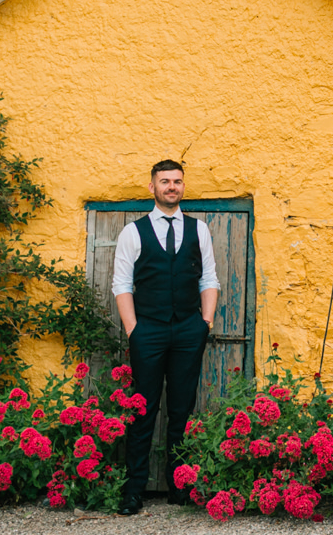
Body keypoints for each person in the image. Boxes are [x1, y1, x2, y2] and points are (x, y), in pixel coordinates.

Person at [113, 159, 220, 515]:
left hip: (189, 330)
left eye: (176, 181)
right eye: (164, 181)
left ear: (183, 186)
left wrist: (204, 322)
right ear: (152, 188)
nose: (171, 187)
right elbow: (122, 285)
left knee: (181, 409)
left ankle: (180, 487)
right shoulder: (133, 232)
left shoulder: (198, 229)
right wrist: (134, 330)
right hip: (149, 331)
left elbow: (209, 279)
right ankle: (134, 489)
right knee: (143, 410)